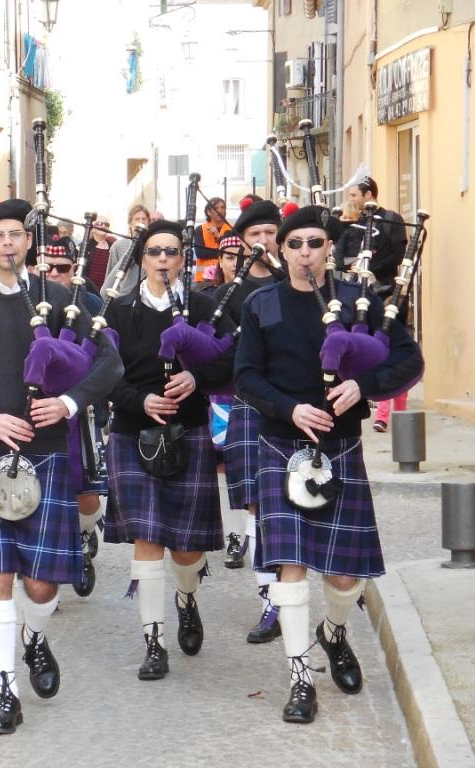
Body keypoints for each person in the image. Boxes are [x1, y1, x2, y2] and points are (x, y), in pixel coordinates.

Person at [0, 196, 122, 735]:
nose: (8, 244)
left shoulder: (63, 299)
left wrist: (68, 403)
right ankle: (6, 690)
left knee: (39, 587)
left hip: (47, 452)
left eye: (16, 235)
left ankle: (35, 637)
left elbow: (111, 363)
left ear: (28, 243)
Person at [234, 205, 422, 724]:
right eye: (294, 244)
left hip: (339, 446)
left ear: (329, 249)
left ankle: (334, 633)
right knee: (290, 569)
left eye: (314, 243)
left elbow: (409, 361)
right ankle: (299, 678)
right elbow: (245, 376)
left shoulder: (358, 302)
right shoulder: (261, 304)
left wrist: (364, 386)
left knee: (344, 578)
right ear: (280, 249)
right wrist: (289, 407)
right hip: (280, 444)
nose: (304, 253)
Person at [103, 219, 234, 682]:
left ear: (183, 259)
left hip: (188, 430)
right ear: (141, 258)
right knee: (148, 541)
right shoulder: (116, 312)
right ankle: (153, 642)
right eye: (155, 251)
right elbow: (102, 375)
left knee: (185, 549)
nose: (163, 259)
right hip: (131, 434)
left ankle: (186, 597)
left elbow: (230, 362)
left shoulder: (202, 308)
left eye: (172, 252)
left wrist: (197, 378)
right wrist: (139, 399)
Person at [214, 200, 288, 644]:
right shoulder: (230, 294)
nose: (262, 241)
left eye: (269, 232)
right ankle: (270, 604)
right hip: (247, 406)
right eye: (253, 234)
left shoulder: (297, 286)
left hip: (296, 409)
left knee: (293, 506)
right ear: (241, 242)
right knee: (260, 508)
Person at [26, 224, 105, 597]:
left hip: (76, 409)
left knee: (83, 493)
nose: (55, 274)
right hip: (30, 408)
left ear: (75, 269)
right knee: (38, 493)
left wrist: (74, 400)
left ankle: (86, 535)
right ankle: (50, 567)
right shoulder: (23, 300)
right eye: (48, 267)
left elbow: (104, 362)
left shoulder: (88, 305)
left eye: (63, 267)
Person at [335, 177, 410, 433]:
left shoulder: (392, 219)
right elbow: (340, 257)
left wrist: (368, 268)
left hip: (388, 292)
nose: (351, 199)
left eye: (354, 194)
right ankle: (379, 407)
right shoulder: (353, 223)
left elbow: (398, 255)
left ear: (368, 194)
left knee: (393, 352)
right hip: (361, 296)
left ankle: (394, 415)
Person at [102, 204, 151, 299]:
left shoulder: (152, 245)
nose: (141, 222)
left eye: (144, 219)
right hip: (123, 298)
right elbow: (110, 277)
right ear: (130, 223)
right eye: (137, 219)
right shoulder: (118, 246)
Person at [193, 196, 232, 284]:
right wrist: (222, 252)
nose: (220, 210)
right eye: (216, 207)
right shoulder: (200, 229)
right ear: (209, 212)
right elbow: (200, 253)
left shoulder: (232, 229)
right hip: (203, 278)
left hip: (225, 276)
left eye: (222, 207)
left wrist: (218, 236)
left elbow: (232, 251)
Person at [85, 214, 115, 288]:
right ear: (92, 228)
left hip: (105, 291)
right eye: (99, 224)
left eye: (106, 224)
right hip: (87, 289)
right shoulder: (85, 246)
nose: (103, 226)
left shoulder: (113, 247)